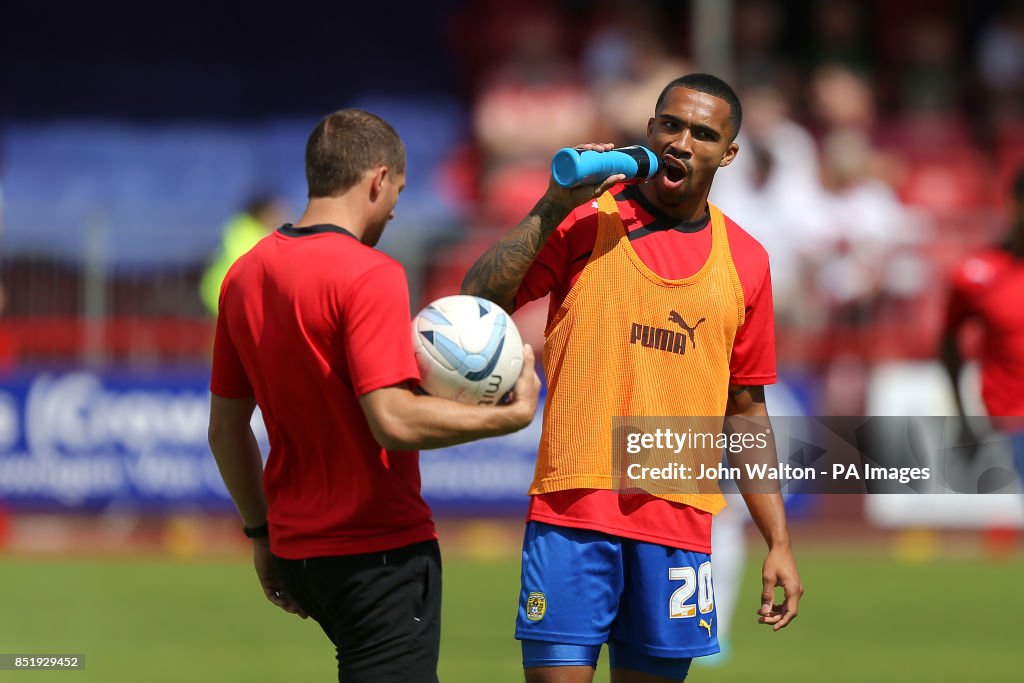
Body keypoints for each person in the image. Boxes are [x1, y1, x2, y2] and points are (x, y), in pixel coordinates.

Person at [462, 73, 803, 682]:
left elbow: (746, 411)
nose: (681, 142)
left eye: (703, 134)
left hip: (678, 525)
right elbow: (478, 297)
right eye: (670, 125)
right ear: (649, 129)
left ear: (728, 154)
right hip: (573, 511)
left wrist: (776, 538)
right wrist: (552, 204)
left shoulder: (747, 261)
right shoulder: (588, 217)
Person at [207, 109, 541, 683]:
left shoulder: (244, 273)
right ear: (377, 180)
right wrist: (507, 416)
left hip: (298, 550)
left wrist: (261, 535)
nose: (393, 210)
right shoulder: (370, 273)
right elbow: (392, 419)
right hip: (376, 550)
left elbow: (225, 429)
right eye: (398, 194)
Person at [940, 168, 1024, 484]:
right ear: (1015, 205)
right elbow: (948, 342)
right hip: (1014, 419)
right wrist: (962, 415)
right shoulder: (976, 274)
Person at [199, 194, 287, 315]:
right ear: (263, 213)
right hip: (227, 294)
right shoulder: (248, 235)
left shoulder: (244, 229)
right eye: (276, 212)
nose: (282, 217)